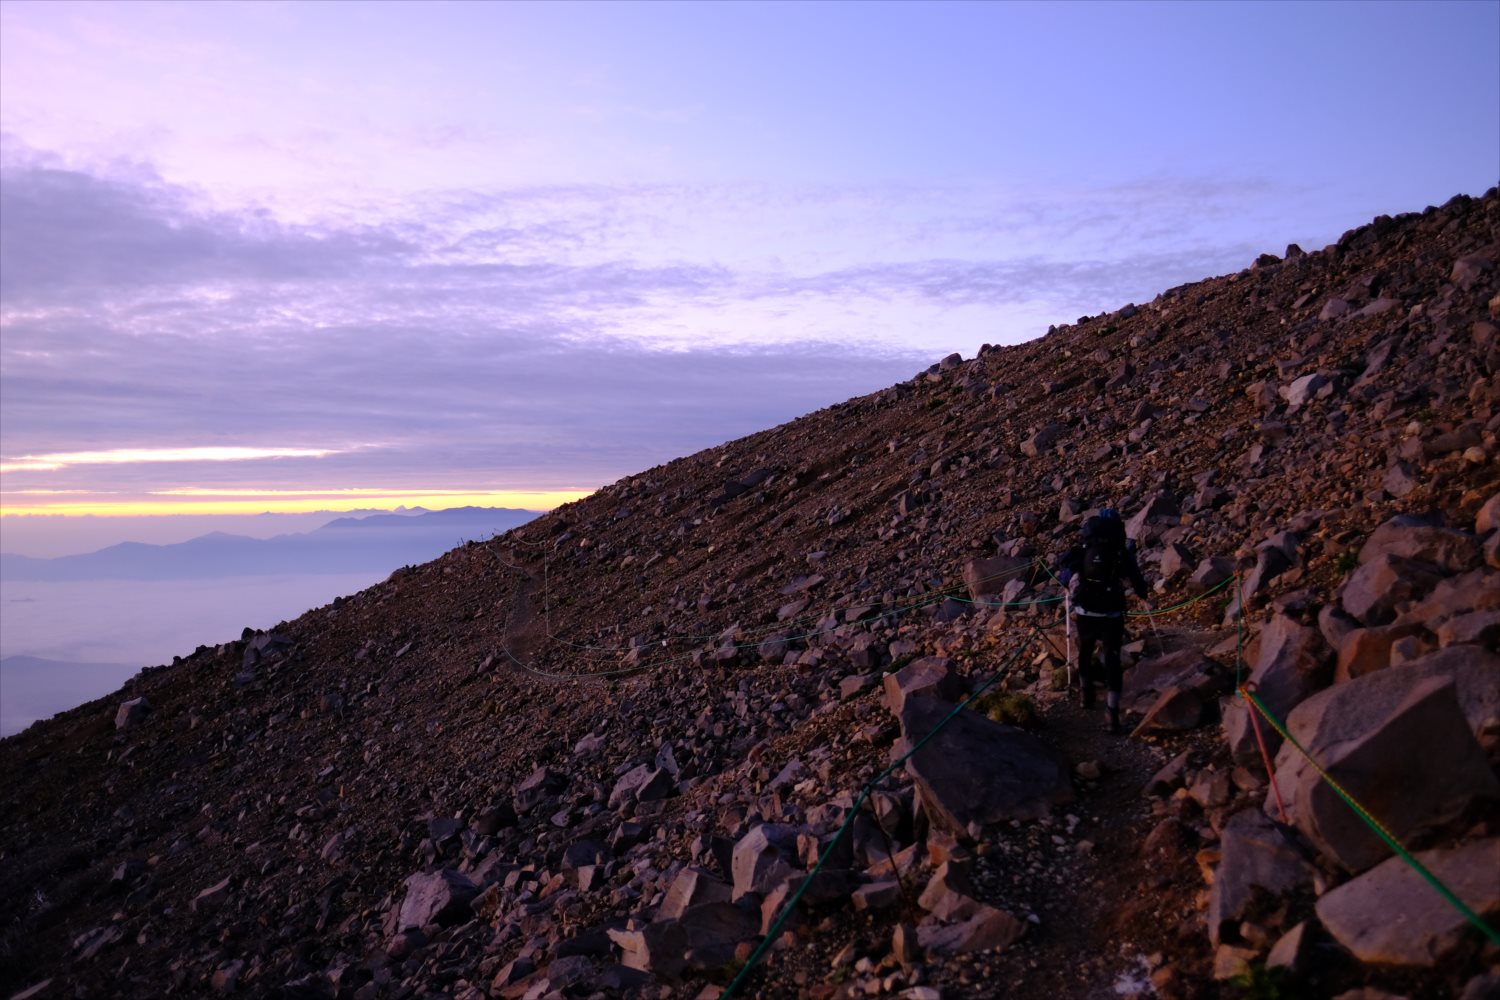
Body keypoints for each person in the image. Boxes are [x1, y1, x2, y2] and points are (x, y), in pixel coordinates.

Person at [1057, 508, 1151, 734]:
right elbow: (1136, 580)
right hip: (1112, 612)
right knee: (1112, 659)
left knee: (1085, 651)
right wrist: (1142, 593)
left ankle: (1085, 694)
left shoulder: (1085, 548)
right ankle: (1112, 712)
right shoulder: (1120, 551)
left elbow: (1064, 576)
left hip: (1086, 610)